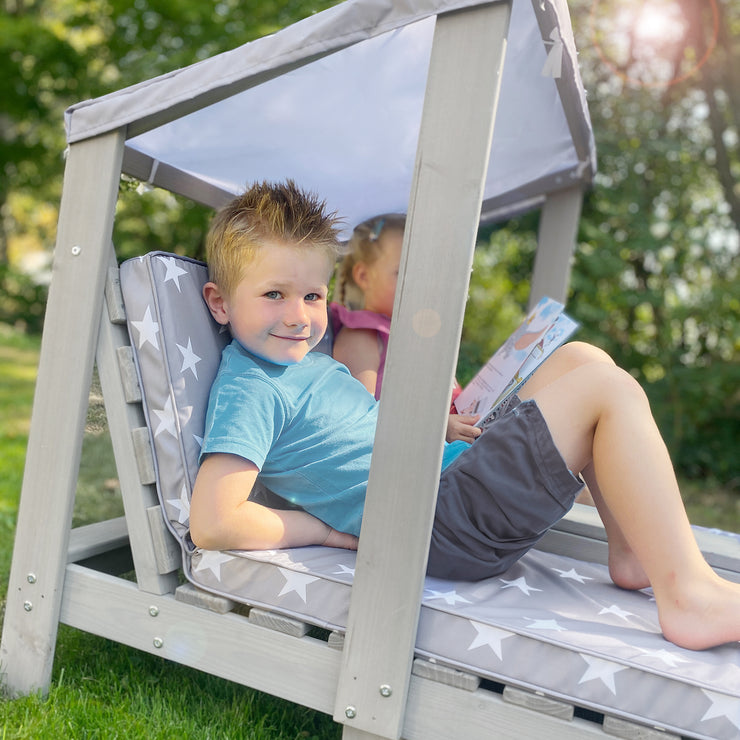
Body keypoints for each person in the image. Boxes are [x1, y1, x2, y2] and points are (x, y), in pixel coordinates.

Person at [190, 179, 740, 652]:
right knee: (605, 388)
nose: (298, 316)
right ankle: (688, 594)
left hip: (448, 481)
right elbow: (215, 520)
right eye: (273, 295)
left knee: (582, 359)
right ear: (219, 303)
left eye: (311, 295)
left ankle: (633, 556)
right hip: (436, 519)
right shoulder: (252, 387)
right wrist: (325, 534)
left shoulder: (309, 365)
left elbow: (357, 437)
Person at [331, 214, 480, 444]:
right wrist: (436, 430)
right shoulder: (362, 338)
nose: (420, 282)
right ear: (364, 276)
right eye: (403, 272)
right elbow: (359, 420)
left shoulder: (410, 333)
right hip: (418, 468)